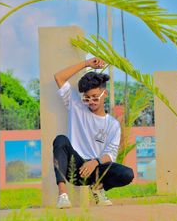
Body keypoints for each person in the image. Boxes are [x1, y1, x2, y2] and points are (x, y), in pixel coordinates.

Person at [53, 57, 134, 209]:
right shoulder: (76, 106)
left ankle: (97, 188)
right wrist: (86, 64)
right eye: (87, 98)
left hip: (96, 170)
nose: (91, 101)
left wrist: (95, 162)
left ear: (105, 94)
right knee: (60, 140)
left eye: (95, 97)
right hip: (75, 167)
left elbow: (110, 154)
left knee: (127, 174)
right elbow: (59, 77)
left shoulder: (112, 124)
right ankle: (63, 195)